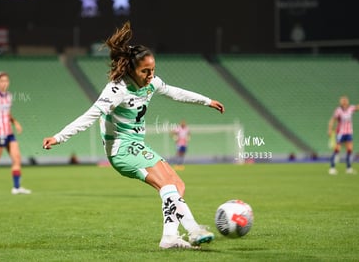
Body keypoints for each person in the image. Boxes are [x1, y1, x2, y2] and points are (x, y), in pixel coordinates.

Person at [42, 21, 225, 249]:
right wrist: (59, 137)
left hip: (137, 145)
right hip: (121, 149)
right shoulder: (116, 89)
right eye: (145, 71)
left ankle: (170, 238)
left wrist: (207, 101)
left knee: (177, 185)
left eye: (152, 70)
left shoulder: (150, 84)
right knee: (167, 184)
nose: (150, 76)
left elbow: (175, 92)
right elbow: (90, 116)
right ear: (131, 69)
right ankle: (193, 229)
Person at [328, 96, 359, 175]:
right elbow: (333, 119)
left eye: (345, 100)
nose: (344, 102)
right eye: (343, 100)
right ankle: (332, 168)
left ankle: (348, 168)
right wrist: (329, 129)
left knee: (349, 150)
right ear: (340, 102)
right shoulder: (338, 110)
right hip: (340, 133)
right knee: (337, 150)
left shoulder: (351, 108)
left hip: (349, 132)